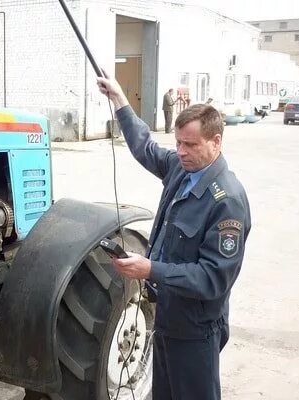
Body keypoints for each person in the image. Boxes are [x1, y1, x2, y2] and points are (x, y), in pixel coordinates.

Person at [97, 74, 251, 400]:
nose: (181, 152)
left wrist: (151, 270)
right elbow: (144, 146)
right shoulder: (182, 170)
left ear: (216, 142)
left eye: (191, 145)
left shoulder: (227, 202)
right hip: (167, 314)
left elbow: (213, 278)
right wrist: (121, 100)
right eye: (178, 143)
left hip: (196, 329)